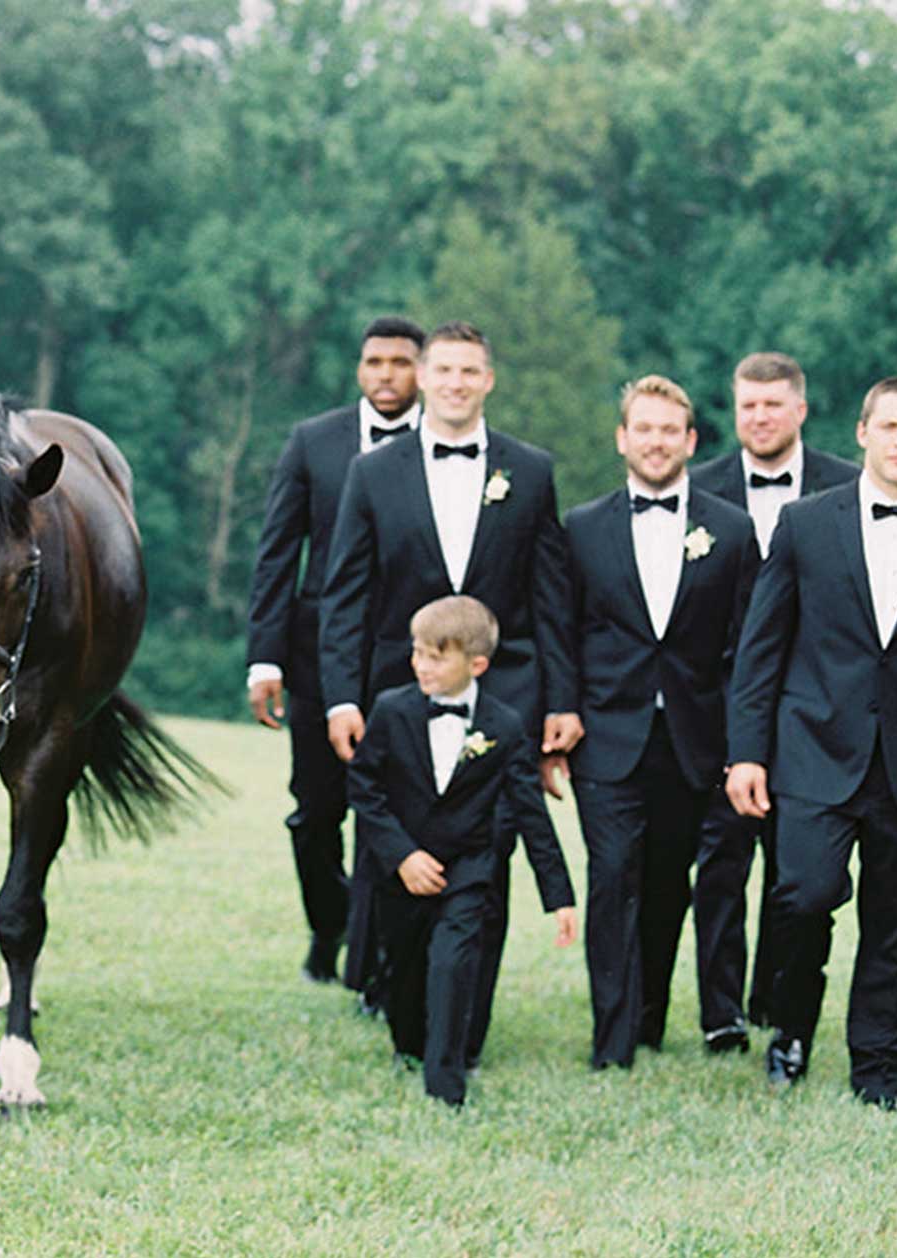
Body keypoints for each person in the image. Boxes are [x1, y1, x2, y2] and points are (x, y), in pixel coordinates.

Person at [725, 375, 897, 1108]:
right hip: (812, 754)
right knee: (805, 893)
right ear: (863, 432)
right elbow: (761, 650)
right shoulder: (803, 524)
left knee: (895, 922)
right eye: (890, 427)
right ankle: (790, 1026)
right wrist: (747, 751)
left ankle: (881, 1068)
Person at [317, 320, 579, 1062]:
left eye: (472, 371)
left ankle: (462, 1029)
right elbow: (345, 595)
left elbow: (551, 598)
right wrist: (342, 698)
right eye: (446, 371)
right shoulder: (374, 472)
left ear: (488, 381)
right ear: (423, 379)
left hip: (505, 696)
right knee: (396, 854)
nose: (458, 383)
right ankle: (396, 1000)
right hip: (398, 691)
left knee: (484, 861)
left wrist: (560, 702)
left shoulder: (530, 471)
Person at [563, 375, 758, 1068]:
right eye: (642, 429)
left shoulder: (731, 531)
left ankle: (647, 1019)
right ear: (622, 438)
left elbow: (746, 647)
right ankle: (611, 1044)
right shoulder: (582, 528)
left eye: (668, 430)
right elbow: (564, 632)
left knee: (668, 885)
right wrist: (560, 714)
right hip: (606, 738)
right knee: (613, 875)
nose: (655, 441)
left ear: (690, 441)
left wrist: (743, 745)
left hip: (693, 742)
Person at [245, 316, 425, 990]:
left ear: (422, 371)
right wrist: (265, 659)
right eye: (374, 361)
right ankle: (331, 924)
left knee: (397, 811)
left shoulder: (440, 449)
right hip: (319, 658)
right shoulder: (312, 442)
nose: (386, 374)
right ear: (358, 368)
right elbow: (276, 555)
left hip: (413, 663)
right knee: (316, 811)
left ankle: (377, 954)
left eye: (400, 362)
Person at [347, 595, 576, 1107]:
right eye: (417, 654)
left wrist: (558, 896)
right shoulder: (391, 710)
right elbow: (364, 789)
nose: (421, 666)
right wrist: (402, 855)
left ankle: (446, 1084)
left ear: (476, 665)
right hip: (403, 870)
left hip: (470, 869)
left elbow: (530, 813)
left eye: (435, 657)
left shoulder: (505, 725)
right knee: (405, 975)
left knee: (454, 964)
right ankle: (410, 1043)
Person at [688, 351, 859, 1035]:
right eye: (747, 405)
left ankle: (774, 1000)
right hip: (720, 708)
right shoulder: (699, 489)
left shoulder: (850, 487)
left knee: (795, 872)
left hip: (819, 713)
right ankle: (722, 1011)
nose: (758, 417)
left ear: (801, 409)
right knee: (722, 863)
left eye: (772, 404)